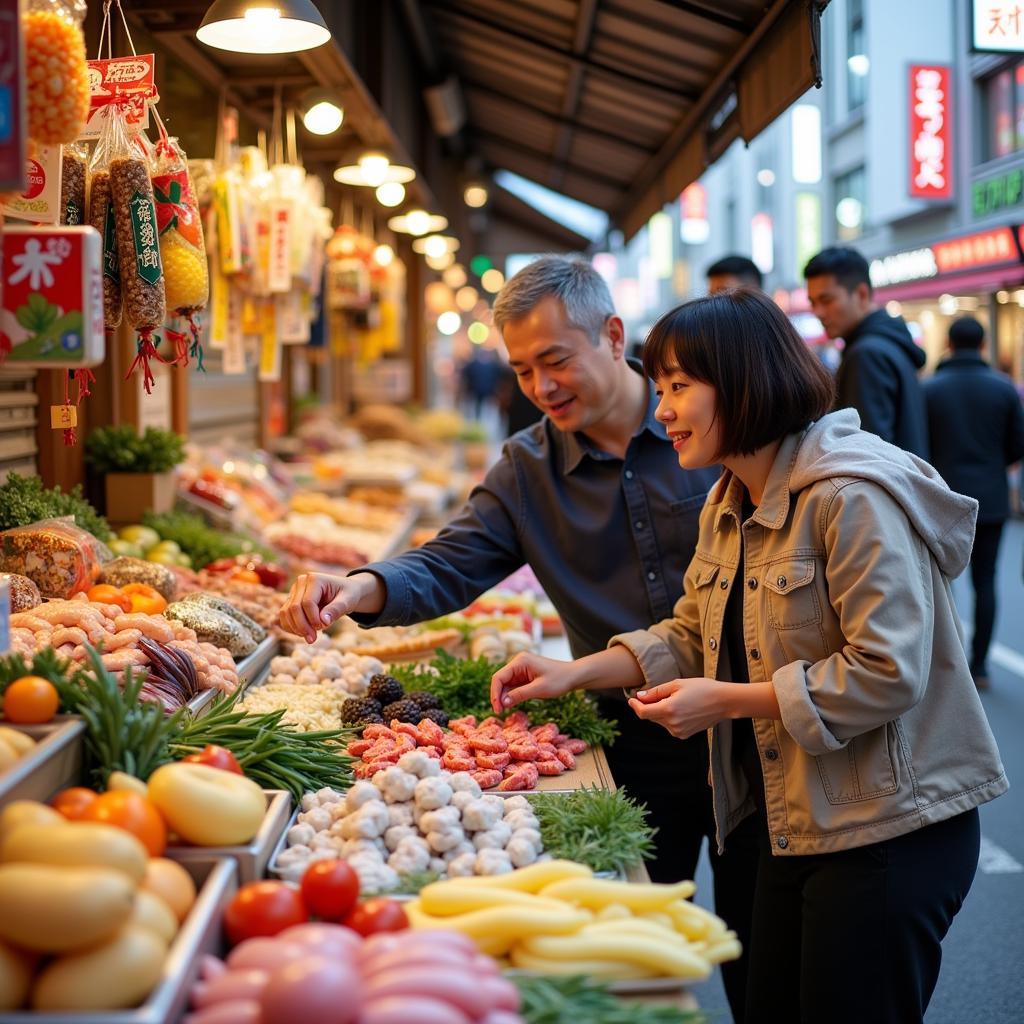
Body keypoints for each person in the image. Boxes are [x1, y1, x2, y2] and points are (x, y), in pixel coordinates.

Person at [491, 288, 1006, 1024]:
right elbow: (690, 635)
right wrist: (571, 673)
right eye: (661, 386)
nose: (661, 408)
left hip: (891, 828)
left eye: (678, 387)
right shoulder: (730, 500)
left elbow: (887, 672)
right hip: (794, 816)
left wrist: (726, 700)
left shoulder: (849, 499)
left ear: (742, 383)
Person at [278, 256, 738, 938]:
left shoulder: (712, 426)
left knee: (771, 954)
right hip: (632, 733)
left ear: (613, 336)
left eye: (554, 360)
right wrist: (356, 588)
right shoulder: (527, 468)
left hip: (757, 728)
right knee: (645, 930)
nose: (540, 386)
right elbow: (450, 562)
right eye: (522, 369)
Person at [923, 316, 1024, 689]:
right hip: (991, 499)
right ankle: (979, 666)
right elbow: (1018, 445)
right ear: (982, 346)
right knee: (986, 581)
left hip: (940, 501)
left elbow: (919, 445)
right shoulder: (1003, 388)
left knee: (935, 584)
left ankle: (938, 668)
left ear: (948, 344)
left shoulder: (930, 389)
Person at [804, 246, 929, 459]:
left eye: (826, 300)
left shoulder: (867, 355)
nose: (818, 312)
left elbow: (869, 455)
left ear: (861, 294)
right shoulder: (889, 343)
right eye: (813, 303)